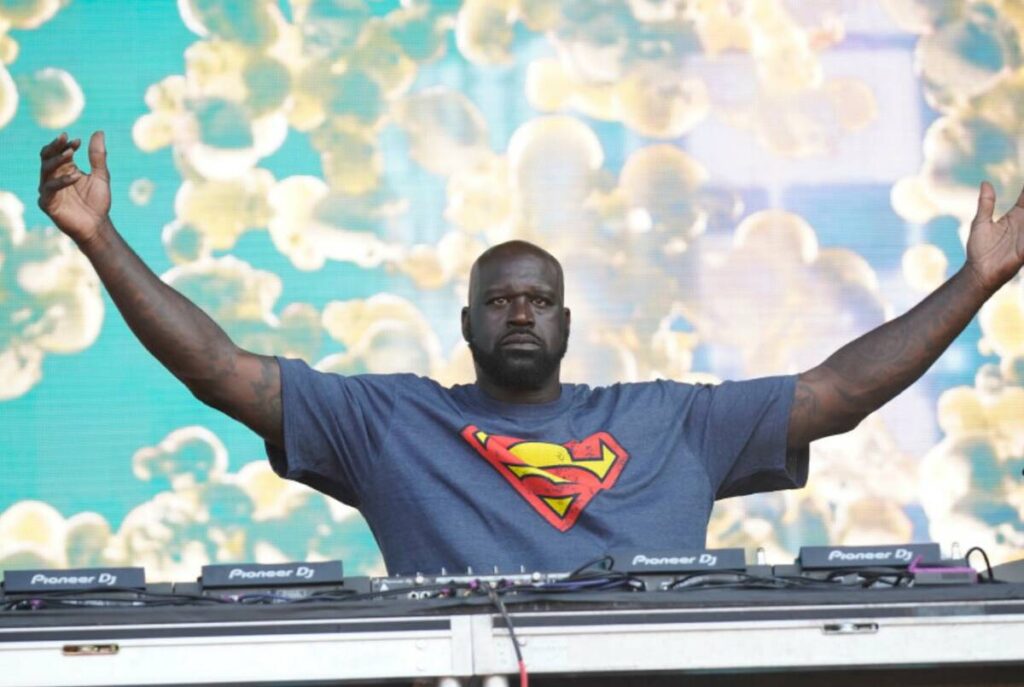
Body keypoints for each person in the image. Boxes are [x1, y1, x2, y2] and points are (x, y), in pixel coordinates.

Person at [38, 131, 1024, 575]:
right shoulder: (389, 422)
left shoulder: (672, 421)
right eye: (498, 299)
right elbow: (219, 369)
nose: (519, 312)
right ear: (467, 324)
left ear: (565, 323)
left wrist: (974, 280)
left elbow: (838, 391)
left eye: (538, 299)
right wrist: (98, 238)